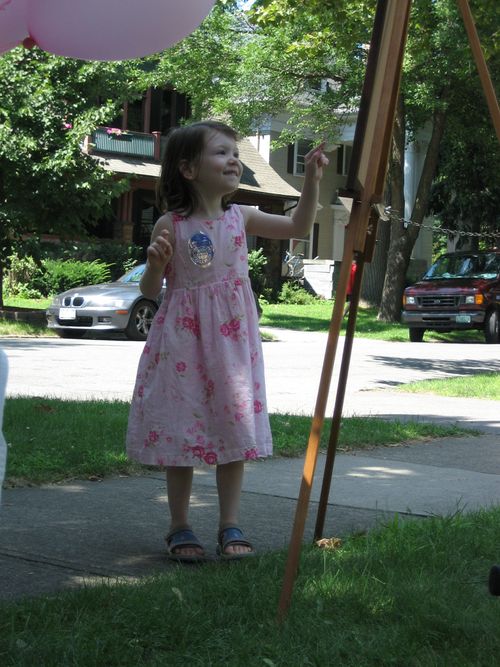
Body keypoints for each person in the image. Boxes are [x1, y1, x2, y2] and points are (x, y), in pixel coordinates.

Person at [126, 120, 328, 562]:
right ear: (189, 169)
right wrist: (155, 266)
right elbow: (147, 292)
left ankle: (229, 523)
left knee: (231, 427)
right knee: (182, 429)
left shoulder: (243, 217)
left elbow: (298, 225)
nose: (233, 160)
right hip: (181, 344)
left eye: (234, 153)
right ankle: (180, 525)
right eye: (221, 153)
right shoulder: (171, 223)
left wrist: (311, 180)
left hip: (232, 347)